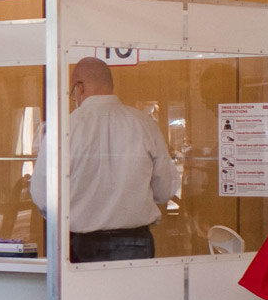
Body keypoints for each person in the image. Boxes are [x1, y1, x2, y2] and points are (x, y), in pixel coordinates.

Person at [30, 57, 179, 262]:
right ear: (110, 86)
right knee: (133, 295)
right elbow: (166, 188)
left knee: (85, 295)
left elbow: (42, 194)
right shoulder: (144, 124)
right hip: (135, 242)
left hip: (78, 243)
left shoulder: (63, 128)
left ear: (79, 88)